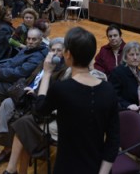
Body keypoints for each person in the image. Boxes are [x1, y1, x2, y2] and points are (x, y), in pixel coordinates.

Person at [29, 27, 120, 174]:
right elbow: (113, 139)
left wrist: (47, 73)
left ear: (68, 54)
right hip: (97, 166)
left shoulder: (61, 89)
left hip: (67, 166)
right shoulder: (109, 90)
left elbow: (40, 109)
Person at [0, 38, 67, 165]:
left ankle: (7, 150)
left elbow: (54, 91)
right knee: (7, 103)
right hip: (26, 95)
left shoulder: (63, 69)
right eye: (53, 50)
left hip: (39, 100)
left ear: (65, 52)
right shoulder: (44, 62)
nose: (55, 53)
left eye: (59, 50)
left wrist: (35, 92)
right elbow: (32, 77)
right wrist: (24, 87)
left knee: (15, 115)